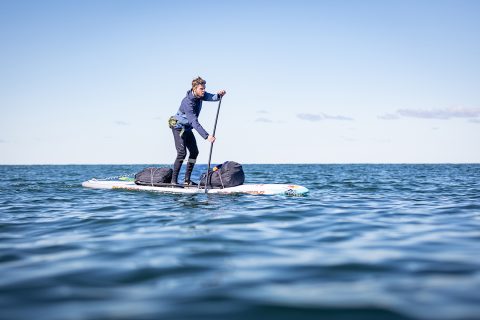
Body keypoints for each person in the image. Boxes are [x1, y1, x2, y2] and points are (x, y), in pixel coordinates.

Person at [169, 77, 226, 185]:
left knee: (194, 152)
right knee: (182, 153)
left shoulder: (201, 95)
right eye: (201, 88)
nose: (203, 90)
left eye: (204, 88)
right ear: (194, 89)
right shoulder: (187, 102)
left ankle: (187, 181)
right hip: (178, 126)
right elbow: (193, 122)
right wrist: (206, 136)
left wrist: (219, 95)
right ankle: (173, 181)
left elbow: (213, 97)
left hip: (187, 128)